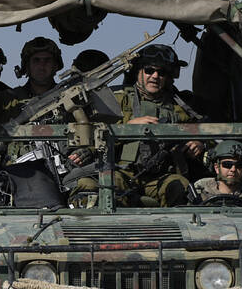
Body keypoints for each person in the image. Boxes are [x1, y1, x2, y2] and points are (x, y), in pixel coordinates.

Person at [71, 44, 203, 207]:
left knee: (179, 186)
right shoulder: (116, 99)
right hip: (122, 172)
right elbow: (94, 133)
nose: (155, 76)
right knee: (100, 186)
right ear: (138, 71)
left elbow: (210, 131)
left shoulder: (182, 106)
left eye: (161, 72)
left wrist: (199, 143)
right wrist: (128, 128)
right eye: (149, 70)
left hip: (160, 178)